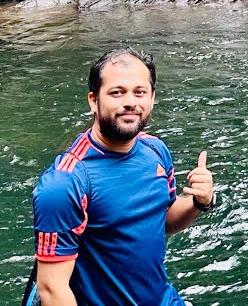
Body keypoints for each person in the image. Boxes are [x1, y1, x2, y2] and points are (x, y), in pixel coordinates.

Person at [29, 47, 215, 306]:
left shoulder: (155, 151)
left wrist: (199, 201)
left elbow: (165, 220)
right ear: (93, 100)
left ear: (152, 97)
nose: (130, 102)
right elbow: (52, 289)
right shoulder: (65, 183)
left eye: (139, 92)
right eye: (117, 92)